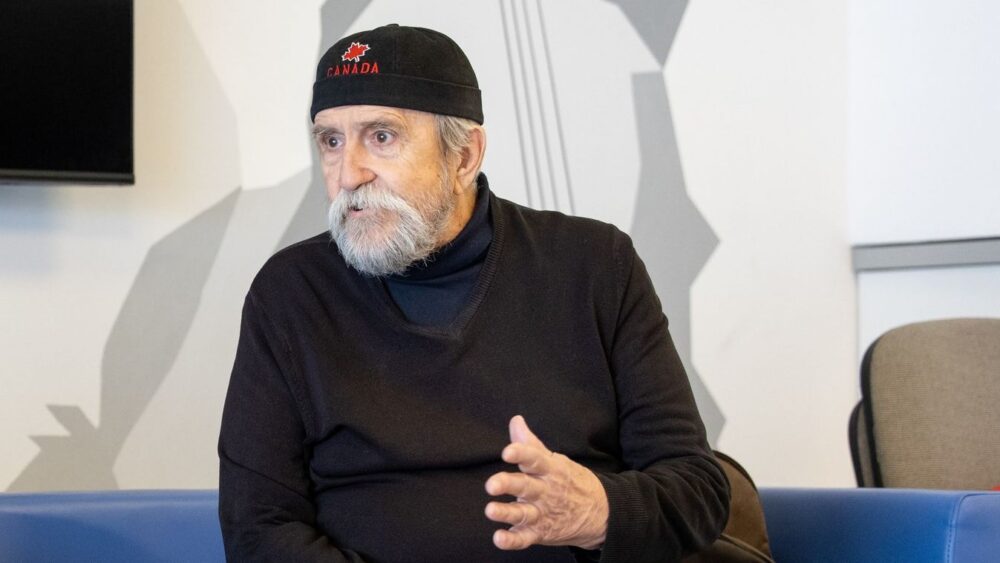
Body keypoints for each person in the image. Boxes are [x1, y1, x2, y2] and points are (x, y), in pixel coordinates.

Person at [218, 24, 729, 563]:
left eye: (382, 137)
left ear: (463, 156)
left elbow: (697, 489)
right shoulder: (291, 293)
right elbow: (259, 527)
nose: (348, 174)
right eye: (331, 141)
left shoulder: (596, 266)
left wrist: (596, 511)